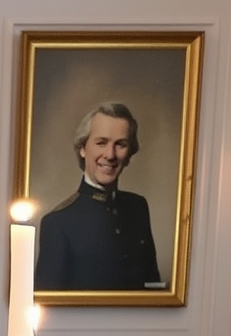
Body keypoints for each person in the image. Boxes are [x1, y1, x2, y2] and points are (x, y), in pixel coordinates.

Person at [34, 101, 161, 292]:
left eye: (120, 144)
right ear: (82, 149)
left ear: (129, 154)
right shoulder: (58, 222)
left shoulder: (138, 207)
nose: (110, 155)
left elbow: (154, 288)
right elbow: (47, 309)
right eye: (101, 143)